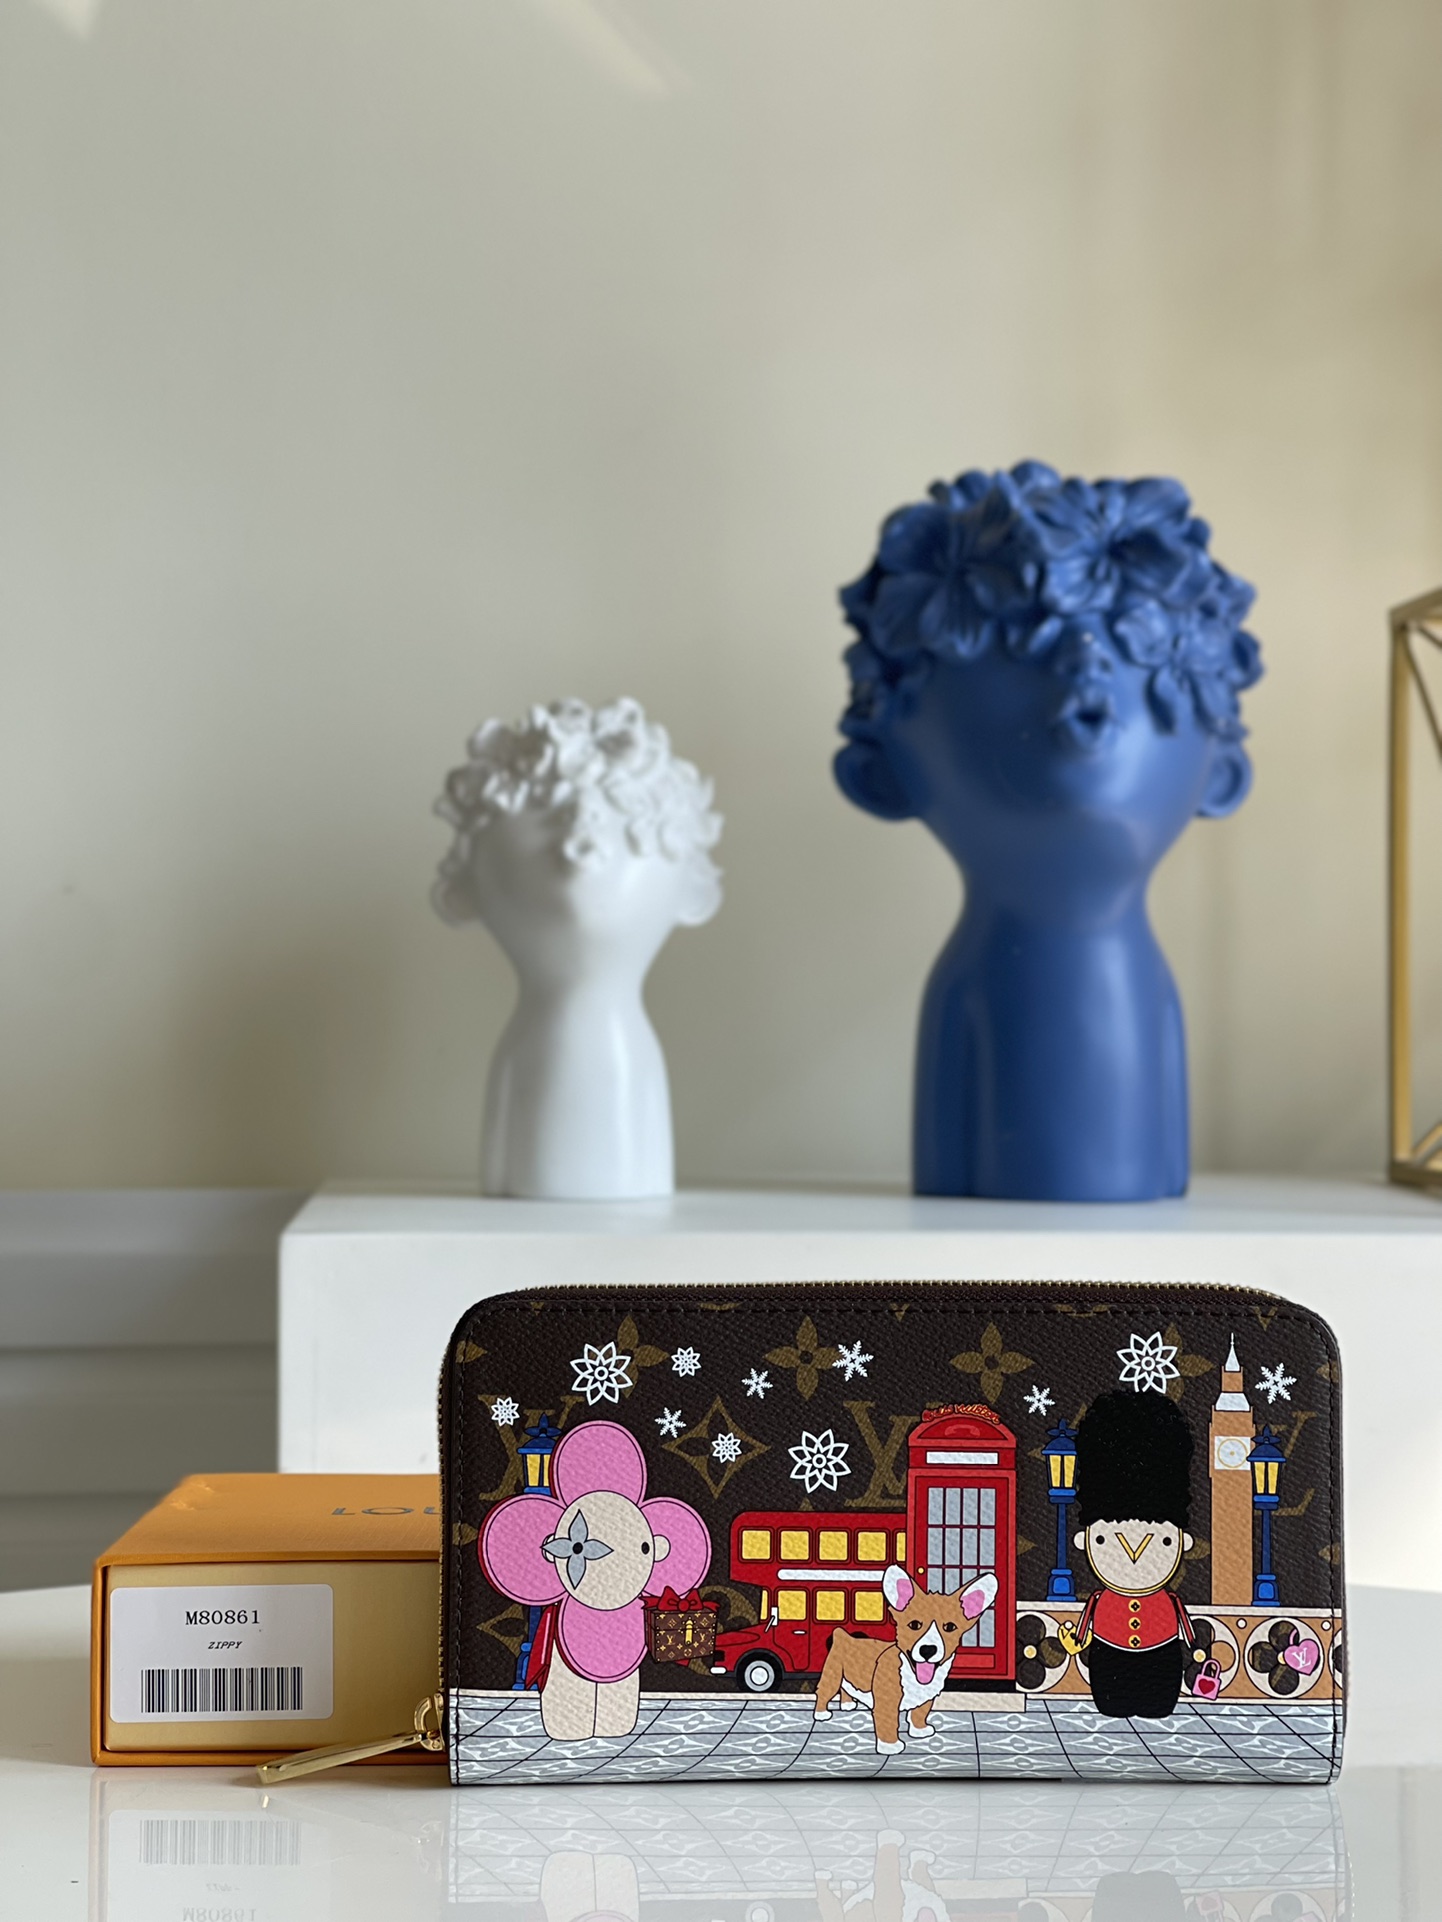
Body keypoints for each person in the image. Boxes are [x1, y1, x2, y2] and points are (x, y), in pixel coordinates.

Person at [1060, 1389, 1207, 1718]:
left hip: (1161, 1651)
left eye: (1161, 1541)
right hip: (1109, 1651)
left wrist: (1197, 1648)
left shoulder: (1167, 1601)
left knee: (1158, 1697)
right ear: (1085, 1539)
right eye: (1106, 1540)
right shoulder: (1102, 1600)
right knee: (1112, 1698)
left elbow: (1187, 1629)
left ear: (1181, 1540)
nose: (1134, 1556)